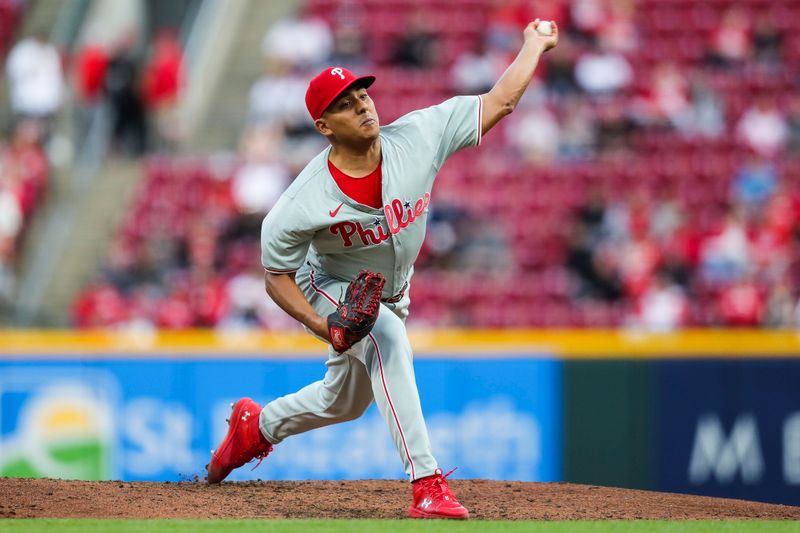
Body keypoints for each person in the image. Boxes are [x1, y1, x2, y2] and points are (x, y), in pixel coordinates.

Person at [206, 19, 559, 520]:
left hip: (392, 289)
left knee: (343, 402)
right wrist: (321, 325)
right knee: (385, 336)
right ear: (324, 127)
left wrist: (532, 45)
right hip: (324, 284)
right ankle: (427, 484)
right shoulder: (303, 200)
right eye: (345, 103)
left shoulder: (416, 136)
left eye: (362, 94)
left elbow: (498, 101)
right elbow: (275, 274)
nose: (362, 105)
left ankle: (255, 427)